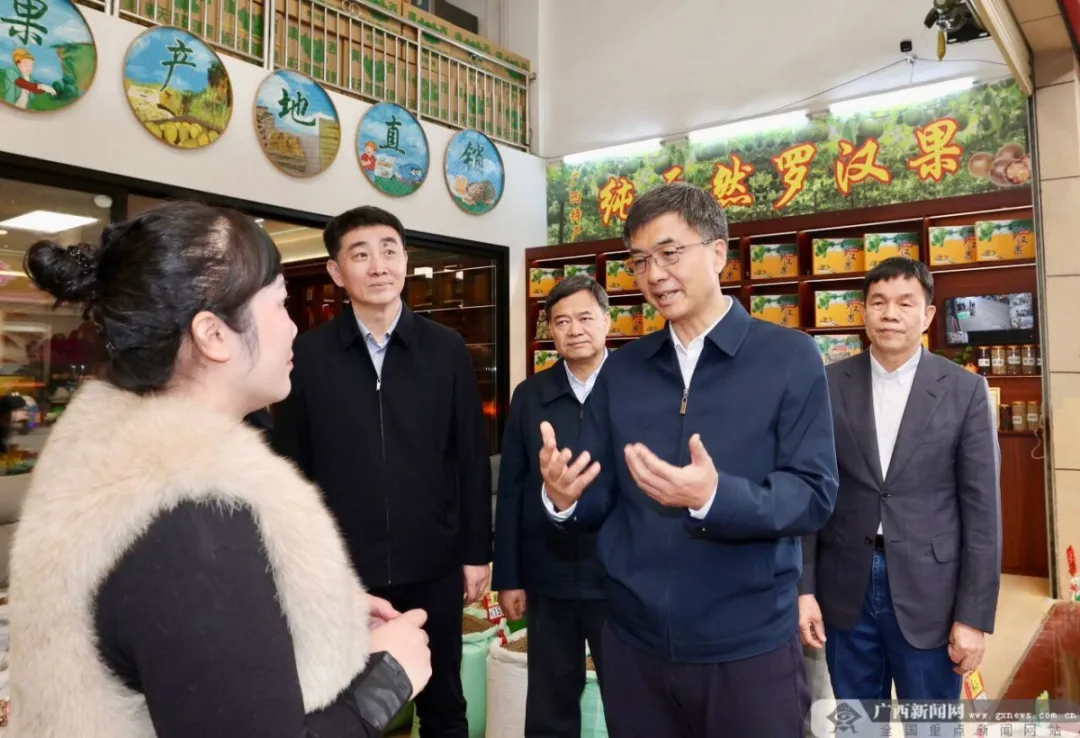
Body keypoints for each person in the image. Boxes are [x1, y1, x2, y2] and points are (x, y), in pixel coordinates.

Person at [7, 201, 433, 737]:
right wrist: (389, 678)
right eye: (280, 305)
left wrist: (316, 611)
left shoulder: (118, 464)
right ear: (213, 335)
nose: (294, 328)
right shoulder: (191, 518)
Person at [538, 182, 839, 738]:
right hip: (634, 643)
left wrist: (715, 497)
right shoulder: (624, 370)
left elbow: (813, 493)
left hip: (746, 646)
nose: (654, 275)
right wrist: (563, 498)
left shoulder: (788, 357)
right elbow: (603, 492)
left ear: (718, 251)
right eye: (640, 261)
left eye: (670, 253)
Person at [272, 205, 492, 738]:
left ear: (406, 261)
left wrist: (476, 551)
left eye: (389, 250)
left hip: (434, 561)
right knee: (347, 709)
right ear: (336, 271)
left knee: (444, 704)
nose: (378, 265)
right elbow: (292, 468)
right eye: (361, 253)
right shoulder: (308, 355)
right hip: (344, 571)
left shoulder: (446, 349)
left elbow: (469, 457)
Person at [799, 257, 1001, 702]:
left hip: (931, 590)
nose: (890, 314)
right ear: (863, 312)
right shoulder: (827, 384)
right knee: (857, 724)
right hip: (845, 587)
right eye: (879, 302)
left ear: (927, 315)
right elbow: (812, 492)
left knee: (932, 726)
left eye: (905, 303)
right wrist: (805, 590)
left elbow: (983, 511)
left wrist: (974, 617)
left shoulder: (964, 390)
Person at [492, 274, 611, 737]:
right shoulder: (530, 395)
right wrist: (509, 577)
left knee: (632, 698)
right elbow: (512, 491)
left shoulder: (634, 388)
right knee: (549, 702)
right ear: (550, 332)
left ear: (606, 320)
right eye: (561, 321)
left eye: (585, 318)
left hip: (618, 577)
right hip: (548, 576)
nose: (574, 330)